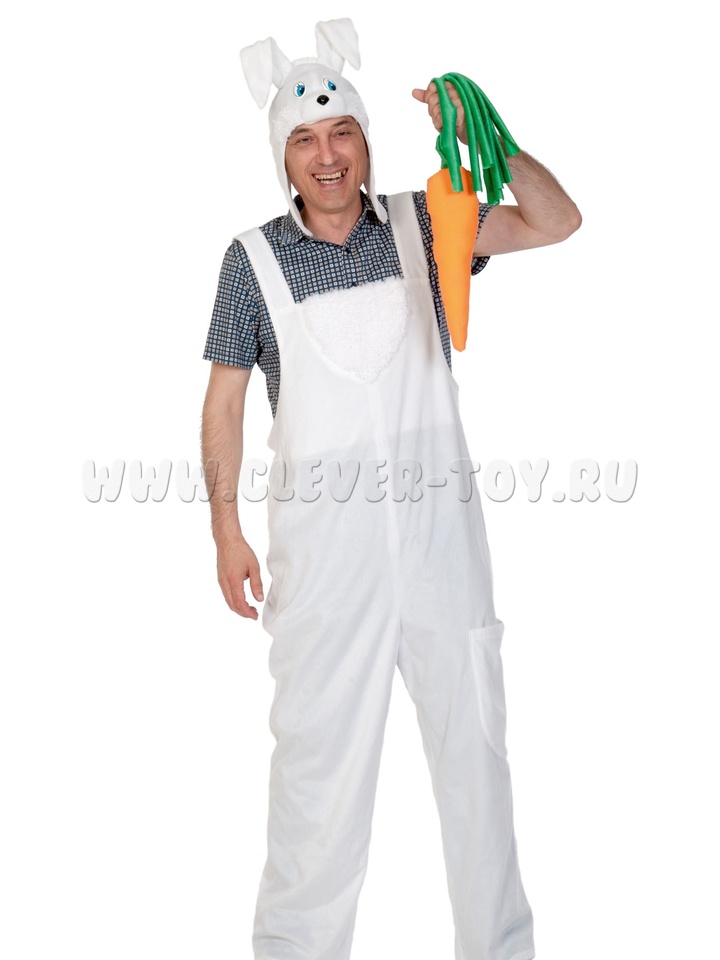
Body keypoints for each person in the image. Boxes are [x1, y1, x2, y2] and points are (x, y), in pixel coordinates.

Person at [201, 19, 580, 960]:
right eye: (304, 139)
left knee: (476, 763)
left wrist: (491, 139)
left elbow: (555, 221)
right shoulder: (251, 261)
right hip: (326, 567)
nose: (327, 155)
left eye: (343, 132)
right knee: (318, 786)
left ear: (367, 139)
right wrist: (226, 531)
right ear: (283, 158)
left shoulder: (429, 222)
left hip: (441, 546)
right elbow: (224, 403)